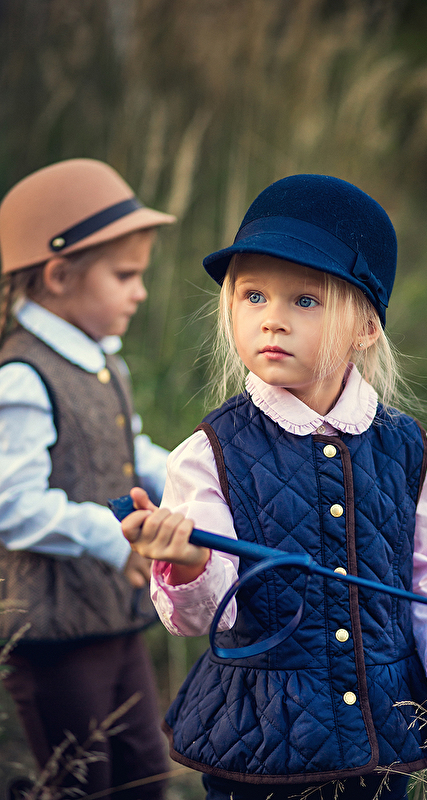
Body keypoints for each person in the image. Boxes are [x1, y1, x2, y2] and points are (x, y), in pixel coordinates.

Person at [120, 174, 427, 800]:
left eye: (305, 301)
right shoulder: (209, 454)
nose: (273, 321)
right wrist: (188, 562)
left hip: (381, 728)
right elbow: (199, 618)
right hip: (260, 737)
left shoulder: (411, 450)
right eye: (254, 296)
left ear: (367, 327)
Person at [0, 159, 176, 799]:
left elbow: (130, 452)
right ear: (58, 275)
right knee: (83, 784)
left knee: (147, 773)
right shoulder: (24, 377)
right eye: (125, 276)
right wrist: (111, 536)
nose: (140, 292)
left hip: (115, 618)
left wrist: (201, 479)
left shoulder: (103, 361)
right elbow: (13, 506)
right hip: (54, 636)